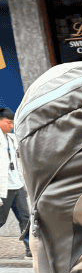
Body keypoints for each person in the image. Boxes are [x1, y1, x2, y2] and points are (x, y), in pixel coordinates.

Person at [0, 108, 31, 262]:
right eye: (8, 122)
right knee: (1, 220)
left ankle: (30, 251)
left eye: (13, 123)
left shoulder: (12, 139)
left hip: (17, 186)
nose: (11, 126)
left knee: (26, 218)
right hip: (3, 189)